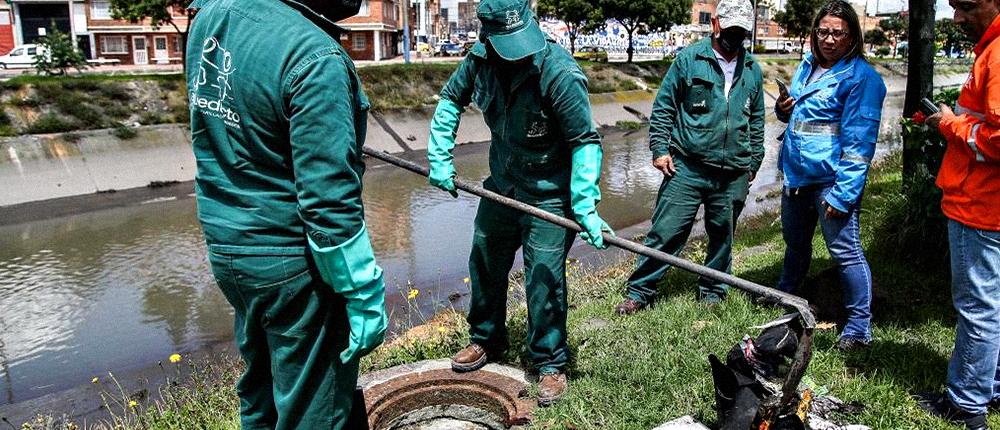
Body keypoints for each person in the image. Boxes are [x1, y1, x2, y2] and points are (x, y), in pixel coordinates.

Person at [187, 0, 386, 428]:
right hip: (293, 267)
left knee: (261, 390)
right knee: (314, 407)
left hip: (229, 249)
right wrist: (362, 291)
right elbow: (329, 201)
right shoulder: (315, 56)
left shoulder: (211, 16)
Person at [426, 0, 611, 406]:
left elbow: (585, 142)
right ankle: (486, 340)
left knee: (544, 278)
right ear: (486, 38)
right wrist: (439, 153)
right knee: (485, 258)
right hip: (502, 185)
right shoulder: (479, 60)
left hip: (549, 194)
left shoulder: (559, 73)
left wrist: (585, 205)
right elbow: (450, 100)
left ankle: (549, 361)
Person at [615, 0, 765, 314]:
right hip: (686, 167)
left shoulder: (752, 69)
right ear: (716, 25)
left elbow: (757, 120)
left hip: (733, 171)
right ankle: (640, 293)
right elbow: (664, 108)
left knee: (723, 236)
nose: (734, 37)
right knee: (666, 232)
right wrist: (659, 149)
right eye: (730, 29)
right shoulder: (688, 59)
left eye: (741, 31)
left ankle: (712, 293)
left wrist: (754, 162)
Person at [772, 0, 886, 352]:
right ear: (813, 33)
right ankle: (785, 299)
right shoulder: (807, 67)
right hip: (797, 175)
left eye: (838, 33)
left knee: (846, 253)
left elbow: (859, 142)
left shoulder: (862, 78)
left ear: (852, 35)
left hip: (831, 181)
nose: (829, 39)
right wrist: (782, 110)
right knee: (795, 244)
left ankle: (857, 328)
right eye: (823, 31)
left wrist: (844, 193)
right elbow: (800, 120)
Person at [919, 0, 1000, 426]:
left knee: (978, 306)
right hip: (988, 202)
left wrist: (949, 123)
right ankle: (992, 386)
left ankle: (967, 402)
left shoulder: (998, 52)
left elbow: (999, 137)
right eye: (954, 7)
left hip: (981, 205)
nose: (957, 19)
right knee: (995, 305)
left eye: (967, 7)